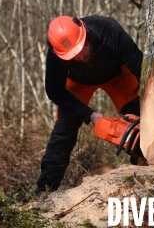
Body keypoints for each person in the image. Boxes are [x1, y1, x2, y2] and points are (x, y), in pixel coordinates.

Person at [36, 15, 144, 194]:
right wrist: (90, 115)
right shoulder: (55, 55)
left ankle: (143, 171)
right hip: (78, 83)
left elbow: (140, 66)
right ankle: (45, 189)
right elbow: (54, 91)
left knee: (140, 121)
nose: (81, 55)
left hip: (119, 75)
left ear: (84, 31)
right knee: (64, 130)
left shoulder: (107, 29)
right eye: (74, 55)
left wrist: (148, 104)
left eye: (83, 46)